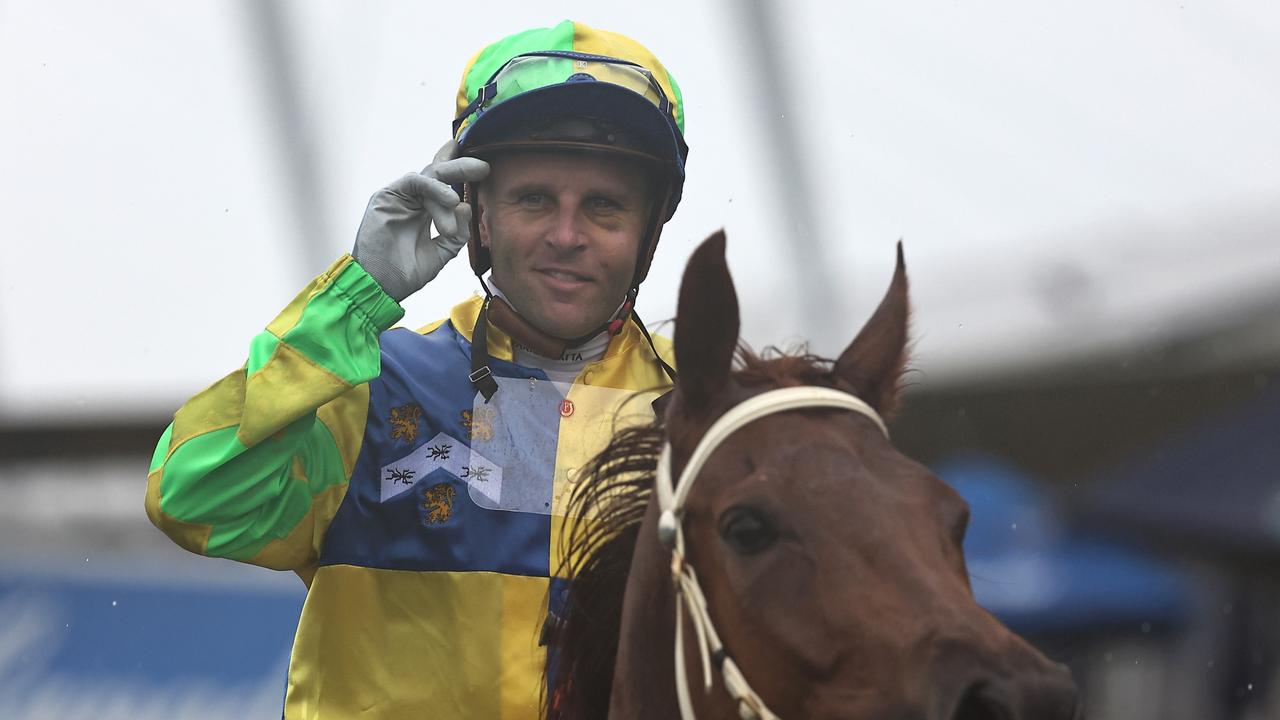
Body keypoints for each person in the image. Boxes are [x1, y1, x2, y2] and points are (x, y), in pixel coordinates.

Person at [144, 20, 688, 719]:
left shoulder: (701, 410)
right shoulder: (366, 382)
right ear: (478, 215)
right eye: (535, 200)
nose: (566, 235)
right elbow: (192, 496)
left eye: (604, 207)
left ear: (649, 229)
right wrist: (354, 297)